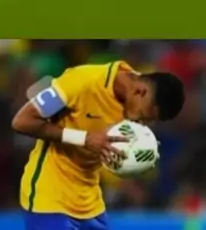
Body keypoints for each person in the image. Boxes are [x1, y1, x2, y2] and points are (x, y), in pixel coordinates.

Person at [13, 60, 185, 230]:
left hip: (90, 202)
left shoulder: (136, 98)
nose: (141, 122)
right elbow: (22, 121)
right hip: (49, 198)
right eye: (143, 115)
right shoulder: (82, 81)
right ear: (140, 92)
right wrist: (84, 138)